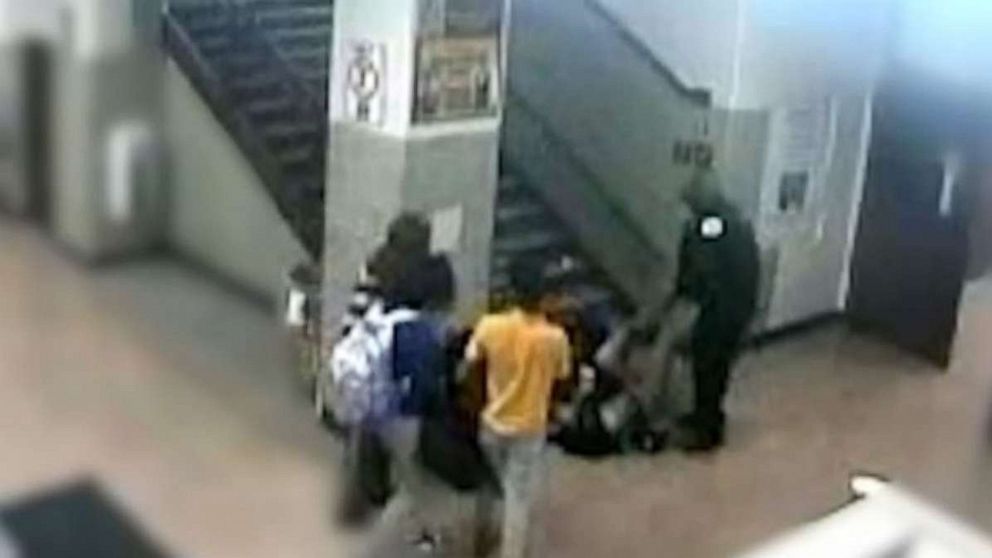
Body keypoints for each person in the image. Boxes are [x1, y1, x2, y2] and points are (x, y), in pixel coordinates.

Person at [465, 257, 572, 558]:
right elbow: (562, 379)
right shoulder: (555, 338)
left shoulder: (490, 327)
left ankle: (480, 538)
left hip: (492, 420)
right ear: (545, 296)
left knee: (488, 483)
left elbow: (470, 362)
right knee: (518, 498)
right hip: (529, 426)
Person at [663, 169, 760, 452]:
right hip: (737, 305)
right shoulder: (731, 218)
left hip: (723, 307)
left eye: (690, 202)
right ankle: (706, 416)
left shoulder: (712, 224)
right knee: (715, 367)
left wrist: (682, 292)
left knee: (709, 366)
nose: (688, 209)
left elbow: (702, 265)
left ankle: (708, 431)